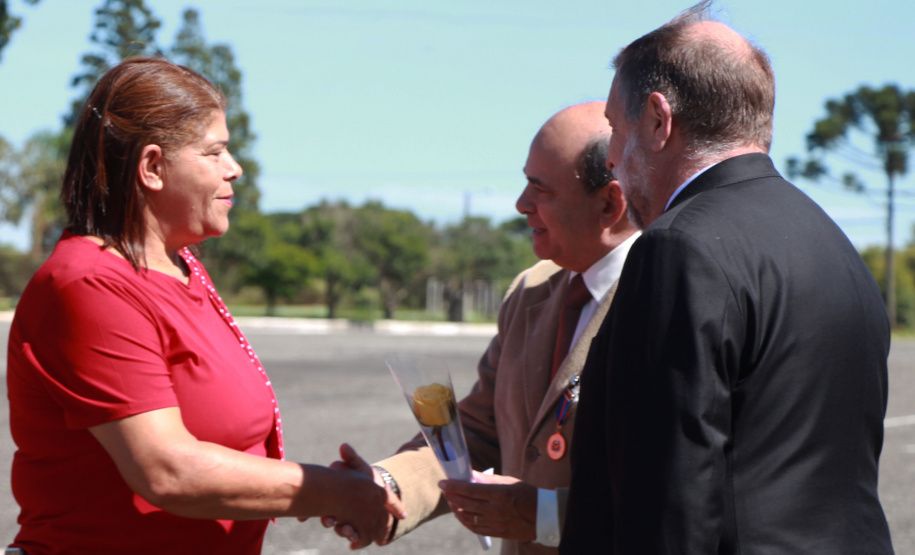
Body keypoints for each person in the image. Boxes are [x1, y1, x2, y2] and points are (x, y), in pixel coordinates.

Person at [5, 58, 402, 554]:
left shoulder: (179, 265)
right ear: (152, 167)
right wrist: (330, 491)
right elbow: (168, 471)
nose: (234, 168)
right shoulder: (89, 286)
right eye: (214, 151)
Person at [560, 2, 894, 553]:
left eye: (617, 131)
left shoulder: (678, 248)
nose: (614, 161)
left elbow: (667, 499)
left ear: (658, 120)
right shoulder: (838, 250)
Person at [327, 101, 640, 555]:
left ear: (610, 202)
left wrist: (548, 518)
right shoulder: (530, 291)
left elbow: (677, 486)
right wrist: (383, 484)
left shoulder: (663, 301)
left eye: (540, 189)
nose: (520, 205)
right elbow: (477, 431)